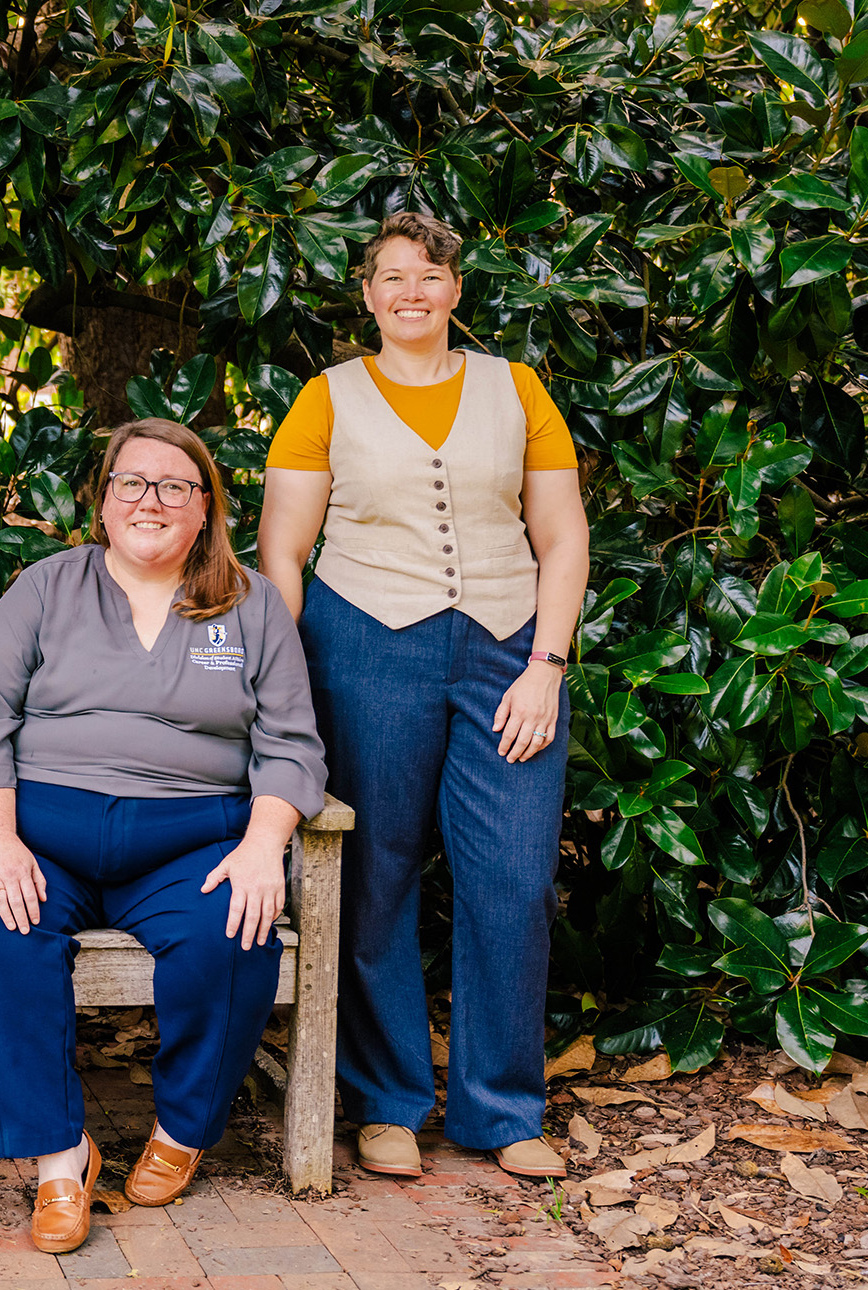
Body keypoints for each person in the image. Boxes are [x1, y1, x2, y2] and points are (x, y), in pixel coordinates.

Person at [256, 209, 590, 1181]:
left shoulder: (516, 389)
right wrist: (283, 674)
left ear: (455, 293)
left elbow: (562, 536)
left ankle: (500, 1109)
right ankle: (387, 1102)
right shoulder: (326, 398)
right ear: (367, 294)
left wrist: (546, 663)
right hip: (363, 645)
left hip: (507, 654)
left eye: (429, 277)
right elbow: (284, 547)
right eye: (392, 277)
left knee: (515, 884)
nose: (411, 292)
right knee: (374, 877)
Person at [0, 419, 327, 1254]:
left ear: (204, 510)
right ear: (105, 499)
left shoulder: (251, 604)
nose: (149, 500)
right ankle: (58, 1158)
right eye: (131, 483)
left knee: (233, 932)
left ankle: (184, 1130)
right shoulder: (46, 587)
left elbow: (291, 743)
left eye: (174, 487)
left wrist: (264, 846)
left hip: (191, 837)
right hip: (39, 831)